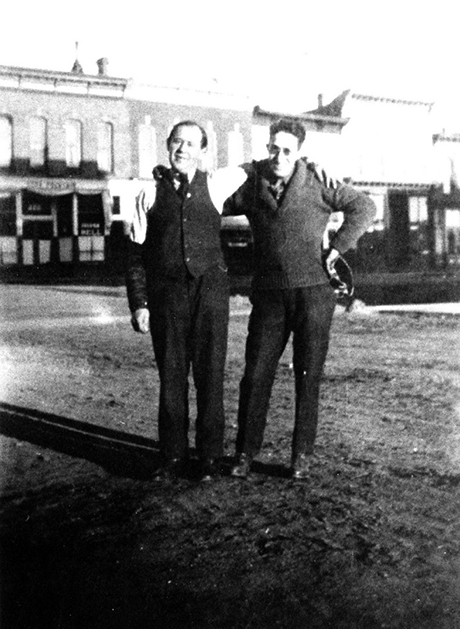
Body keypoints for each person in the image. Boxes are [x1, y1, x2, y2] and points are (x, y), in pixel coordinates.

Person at [225, 118, 376, 480]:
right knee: (255, 374)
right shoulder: (251, 183)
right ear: (267, 148)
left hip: (314, 295)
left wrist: (337, 249)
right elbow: (212, 200)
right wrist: (242, 169)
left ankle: (301, 456)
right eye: (274, 148)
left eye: (288, 150)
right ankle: (245, 454)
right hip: (268, 297)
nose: (280, 156)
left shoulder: (317, 181)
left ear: (299, 153)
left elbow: (365, 208)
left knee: (308, 376)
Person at [126, 120, 246, 481]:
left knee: (210, 375)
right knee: (172, 377)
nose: (183, 149)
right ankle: (173, 457)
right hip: (167, 296)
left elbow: (256, 169)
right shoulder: (147, 194)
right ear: (167, 145)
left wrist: (310, 166)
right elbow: (134, 256)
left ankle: (210, 458)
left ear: (203, 151)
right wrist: (139, 303)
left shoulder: (217, 184)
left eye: (191, 144)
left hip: (209, 294)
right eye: (177, 142)